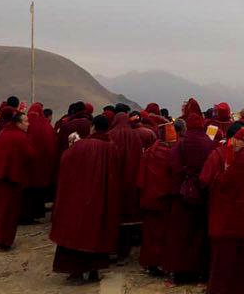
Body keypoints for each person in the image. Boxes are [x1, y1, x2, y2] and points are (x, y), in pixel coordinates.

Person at [50, 114, 122, 284]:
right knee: (97, 232)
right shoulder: (112, 149)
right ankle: (94, 271)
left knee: (77, 233)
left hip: (79, 198)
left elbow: (65, 162)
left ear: (94, 127)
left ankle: (76, 273)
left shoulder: (80, 146)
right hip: (101, 199)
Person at [205, 127, 244, 294]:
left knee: (231, 256)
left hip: (237, 215)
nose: (235, 142)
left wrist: (218, 177)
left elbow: (227, 182)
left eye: (238, 139)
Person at [164, 112, 216, 283]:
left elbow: (173, 166)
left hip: (183, 194)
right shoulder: (209, 143)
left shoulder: (180, 144)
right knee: (200, 234)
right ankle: (202, 270)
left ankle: (182, 273)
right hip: (203, 194)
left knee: (182, 234)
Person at [0, 111, 35, 250]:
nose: (28, 124)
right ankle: (1, 241)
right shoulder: (20, 137)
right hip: (10, 180)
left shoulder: (4, 133)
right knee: (6, 212)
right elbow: (30, 154)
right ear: (18, 123)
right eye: (26, 121)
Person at [138, 122, 177, 275]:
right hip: (164, 199)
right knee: (163, 233)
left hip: (149, 199)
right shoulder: (170, 154)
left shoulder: (148, 152)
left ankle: (150, 263)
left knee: (149, 234)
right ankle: (161, 262)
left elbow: (140, 180)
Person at [108, 103, 144, 257]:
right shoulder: (135, 135)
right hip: (131, 178)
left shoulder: (110, 135)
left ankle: (112, 247)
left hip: (114, 180)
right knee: (129, 214)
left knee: (113, 214)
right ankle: (126, 249)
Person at [24, 102, 57, 221]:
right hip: (42, 164)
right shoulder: (46, 127)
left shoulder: (25, 125)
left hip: (28, 165)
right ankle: (36, 212)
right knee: (37, 190)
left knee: (28, 191)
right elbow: (52, 146)